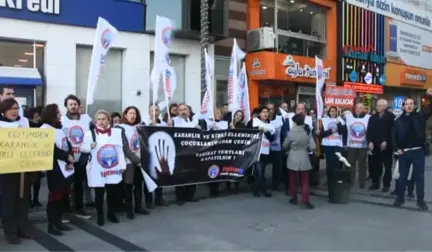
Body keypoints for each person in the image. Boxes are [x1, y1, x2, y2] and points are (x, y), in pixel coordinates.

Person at [81, 110, 126, 226]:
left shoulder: (116, 133)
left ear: (108, 120)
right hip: (97, 168)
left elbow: (120, 150)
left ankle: (111, 213)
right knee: (99, 193)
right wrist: (90, 146)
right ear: (96, 121)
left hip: (112, 167)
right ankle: (100, 214)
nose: (101, 121)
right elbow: (83, 148)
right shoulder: (90, 134)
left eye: (104, 119)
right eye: (99, 119)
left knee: (112, 192)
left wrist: (122, 165)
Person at [0, 98, 34, 244]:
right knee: (9, 202)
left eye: (16, 108)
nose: (14, 111)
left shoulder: (24, 122)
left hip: (23, 168)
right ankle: (11, 232)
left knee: (23, 200)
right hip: (6, 170)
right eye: (10, 108)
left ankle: (23, 228)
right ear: (3, 111)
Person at [392, 91, 432, 211]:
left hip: (418, 152)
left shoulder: (420, 116)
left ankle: (421, 201)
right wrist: (396, 149)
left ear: (415, 106)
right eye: (407, 104)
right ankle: (400, 198)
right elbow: (393, 135)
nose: (409, 106)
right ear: (403, 106)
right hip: (404, 152)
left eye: (411, 104)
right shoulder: (398, 120)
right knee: (402, 176)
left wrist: (430, 96)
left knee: (420, 177)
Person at [40, 104, 75, 236]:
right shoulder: (45, 129)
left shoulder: (58, 128)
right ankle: (52, 224)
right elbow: (51, 149)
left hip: (65, 167)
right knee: (54, 197)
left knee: (62, 196)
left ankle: (59, 221)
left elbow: (67, 143)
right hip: (55, 169)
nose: (60, 114)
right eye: (58, 112)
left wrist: (70, 156)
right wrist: (67, 157)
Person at [61, 95, 93, 219]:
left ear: (79, 105)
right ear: (66, 106)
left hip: (83, 156)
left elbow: (93, 132)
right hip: (68, 157)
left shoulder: (86, 119)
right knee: (66, 185)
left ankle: (79, 208)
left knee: (79, 184)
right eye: (70, 104)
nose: (73, 106)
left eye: (75, 104)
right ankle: (65, 209)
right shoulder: (63, 120)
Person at [116, 106, 150, 219]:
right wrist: (136, 160)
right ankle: (129, 210)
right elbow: (125, 147)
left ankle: (139, 207)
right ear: (125, 115)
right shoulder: (120, 128)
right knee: (128, 187)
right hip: (128, 162)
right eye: (130, 113)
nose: (132, 115)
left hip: (140, 162)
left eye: (134, 113)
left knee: (139, 185)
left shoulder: (139, 128)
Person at [283, 113, 316, 209]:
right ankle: (306, 201)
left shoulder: (290, 133)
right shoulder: (307, 132)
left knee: (293, 181)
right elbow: (313, 146)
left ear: (294, 122)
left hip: (292, 157)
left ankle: (294, 198)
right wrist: (307, 149)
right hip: (304, 157)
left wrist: (290, 148)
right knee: (305, 182)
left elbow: (284, 145)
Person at [173, 103, 200, 204]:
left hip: (192, 152)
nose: (183, 111)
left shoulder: (192, 121)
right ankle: (180, 197)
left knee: (192, 173)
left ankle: (190, 195)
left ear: (189, 111)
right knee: (180, 175)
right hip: (180, 153)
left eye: (185, 109)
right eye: (180, 110)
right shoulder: (174, 121)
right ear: (178, 112)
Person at [143, 104, 170, 208]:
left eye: (157, 110)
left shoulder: (163, 123)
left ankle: (159, 198)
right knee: (148, 179)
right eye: (152, 110)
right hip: (149, 154)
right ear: (149, 112)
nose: (155, 112)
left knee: (160, 177)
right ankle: (148, 200)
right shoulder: (144, 123)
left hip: (160, 154)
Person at [367, 99, 395, 192]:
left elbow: (393, 132)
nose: (377, 107)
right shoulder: (373, 117)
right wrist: (370, 141)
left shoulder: (391, 117)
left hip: (387, 146)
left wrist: (387, 141)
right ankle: (375, 183)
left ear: (384, 107)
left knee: (387, 166)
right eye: (377, 105)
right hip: (375, 146)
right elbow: (369, 131)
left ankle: (386, 184)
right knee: (376, 165)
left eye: (379, 105)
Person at [250, 105, 275, 198]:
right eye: (263, 112)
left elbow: (272, 138)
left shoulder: (270, 125)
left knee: (261, 171)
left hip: (266, 151)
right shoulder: (255, 122)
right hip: (257, 151)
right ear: (259, 113)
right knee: (259, 171)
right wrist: (258, 129)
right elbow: (250, 133)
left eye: (267, 112)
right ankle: (263, 190)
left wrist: (266, 131)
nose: (265, 113)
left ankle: (255, 189)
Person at [319, 106, 345, 188]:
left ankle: (336, 180)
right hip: (328, 145)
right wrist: (331, 131)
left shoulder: (340, 120)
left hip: (337, 144)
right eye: (331, 111)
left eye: (334, 111)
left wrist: (338, 124)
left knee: (337, 163)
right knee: (329, 163)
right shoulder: (325, 120)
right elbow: (322, 134)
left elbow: (342, 132)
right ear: (328, 112)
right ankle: (329, 179)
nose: (333, 113)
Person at [345, 103, 371, 188]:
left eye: (360, 108)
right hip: (351, 145)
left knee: (362, 165)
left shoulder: (368, 118)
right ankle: (350, 180)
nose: (358, 109)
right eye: (357, 108)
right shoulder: (349, 117)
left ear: (363, 109)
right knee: (350, 164)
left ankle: (362, 181)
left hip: (362, 146)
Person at [206, 108, 229, 197]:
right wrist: (212, 129)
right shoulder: (209, 123)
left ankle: (217, 187)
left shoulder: (225, 123)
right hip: (212, 150)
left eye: (219, 113)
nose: (217, 114)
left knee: (220, 168)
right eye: (215, 113)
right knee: (212, 168)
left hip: (221, 149)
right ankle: (212, 188)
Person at [25, 107, 44, 208]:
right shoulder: (26, 126)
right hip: (28, 156)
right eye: (36, 116)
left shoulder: (41, 125)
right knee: (28, 180)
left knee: (37, 180)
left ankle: (35, 199)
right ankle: (28, 199)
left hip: (37, 155)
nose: (38, 118)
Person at [266, 102, 284, 191]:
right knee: (262, 166)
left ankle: (275, 184)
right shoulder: (262, 120)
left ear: (274, 110)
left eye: (271, 109)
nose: (270, 111)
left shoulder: (279, 119)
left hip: (277, 147)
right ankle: (262, 183)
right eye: (268, 109)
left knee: (277, 167)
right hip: (265, 148)